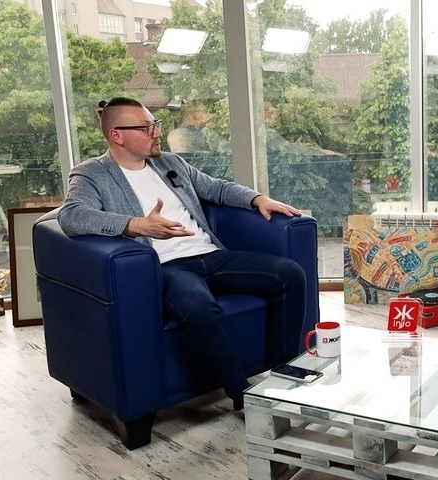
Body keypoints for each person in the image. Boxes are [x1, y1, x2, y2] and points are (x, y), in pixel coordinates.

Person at [56, 96, 307, 410]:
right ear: (116, 135)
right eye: (146, 128)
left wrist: (258, 199)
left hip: (209, 255)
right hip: (166, 266)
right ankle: (243, 396)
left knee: (289, 274)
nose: (157, 133)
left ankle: (283, 375)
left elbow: (216, 188)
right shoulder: (92, 174)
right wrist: (136, 224)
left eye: (156, 124)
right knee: (197, 306)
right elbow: (72, 216)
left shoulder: (170, 162)